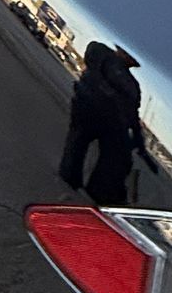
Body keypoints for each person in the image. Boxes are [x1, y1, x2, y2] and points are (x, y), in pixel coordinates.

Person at [58, 42, 149, 205]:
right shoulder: (101, 52)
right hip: (87, 109)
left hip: (111, 123)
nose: (128, 58)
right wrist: (108, 93)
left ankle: (99, 191)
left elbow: (133, 114)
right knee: (76, 144)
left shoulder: (133, 85)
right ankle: (70, 179)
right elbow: (92, 69)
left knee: (117, 157)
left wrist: (139, 142)